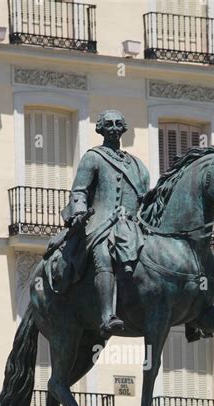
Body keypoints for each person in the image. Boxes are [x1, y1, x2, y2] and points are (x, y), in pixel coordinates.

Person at [61, 110, 150, 336]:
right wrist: (79, 210)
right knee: (103, 254)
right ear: (100, 128)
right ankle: (107, 315)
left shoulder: (137, 165)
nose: (113, 127)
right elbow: (79, 191)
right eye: (108, 124)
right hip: (103, 222)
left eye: (118, 123)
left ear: (124, 128)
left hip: (133, 225)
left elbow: (145, 198)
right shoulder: (93, 157)